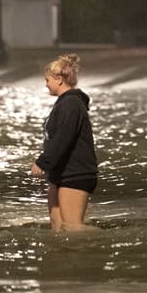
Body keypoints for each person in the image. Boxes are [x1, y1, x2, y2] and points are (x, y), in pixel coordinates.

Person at [32, 53, 98, 231]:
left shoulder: (71, 104)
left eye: (48, 80)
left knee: (73, 227)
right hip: (60, 173)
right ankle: (62, 258)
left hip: (75, 173)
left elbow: (63, 138)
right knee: (57, 225)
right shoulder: (63, 104)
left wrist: (43, 161)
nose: (46, 84)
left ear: (59, 79)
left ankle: (107, 242)